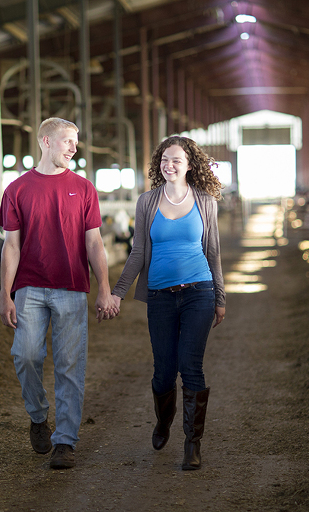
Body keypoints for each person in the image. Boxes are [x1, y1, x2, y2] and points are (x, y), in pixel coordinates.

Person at [0, 117, 118, 470]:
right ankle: (38, 416)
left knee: (69, 365)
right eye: (67, 141)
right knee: (26, 355)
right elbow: (11, 246)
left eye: (75, 142)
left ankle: (65, 441)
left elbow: (94, 241)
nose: (74, 147)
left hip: (71, 288)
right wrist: (5, 294)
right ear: (46, 142)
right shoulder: (17, 190)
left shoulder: (83, 188)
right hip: (29, 288)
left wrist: (104, 289)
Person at [111, 135, 225, 471]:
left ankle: (192, 443)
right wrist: (118, 291)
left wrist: (220, 297)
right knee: (163, 372)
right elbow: (138, 253)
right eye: (164, 159)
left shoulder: (205, 201)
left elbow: (214, 252)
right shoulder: (147, 201)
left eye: (176, 160)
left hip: (198, 293)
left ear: (190, 165)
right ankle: (165, 419)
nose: (169, 165)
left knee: (191, 367)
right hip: (160, 297)